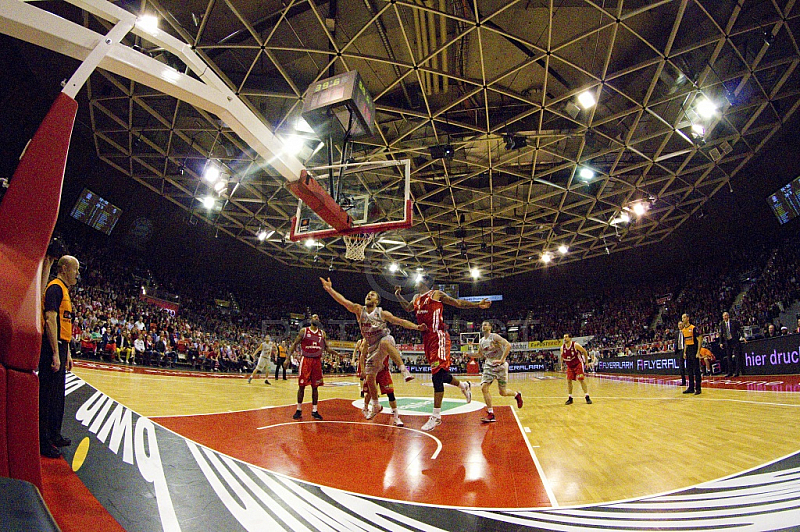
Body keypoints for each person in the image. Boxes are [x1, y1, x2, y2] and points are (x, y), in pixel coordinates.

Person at [395, 275, 489, 431]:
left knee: (436, 376)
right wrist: (398, 295)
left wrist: (477, 305)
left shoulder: (436, 294)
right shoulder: (416, 298)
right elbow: (407, 308)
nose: (415, 282)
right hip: (426, 339)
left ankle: (436, 416)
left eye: (418, 280)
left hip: (439, 337)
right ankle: (464, 386)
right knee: (441, 374)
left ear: (425, 282)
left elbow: (457, 303)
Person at [319, 278, 424, 418]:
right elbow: (343, 301)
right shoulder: (358, 310)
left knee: (385, 342)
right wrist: (329, 289)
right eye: (368, 294)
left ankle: (404, 370)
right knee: (369, 378)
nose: (369, 295)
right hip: (372, 348)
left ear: (377, 301)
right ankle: (375, 405)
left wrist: (417, 327)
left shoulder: (382, 313)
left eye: (372, 294)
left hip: (385, 341)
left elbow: (400, 322)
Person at [39, 255, 80, 458]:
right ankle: (42, 441)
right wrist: (55, 352)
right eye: (75, 270)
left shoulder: (64, 291)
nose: (77, 274)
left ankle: (54, 434)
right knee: (47, 396)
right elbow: (50, 320)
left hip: (62, 346)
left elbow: (65, 325)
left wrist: (67, 353)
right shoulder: (55, 288)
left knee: (57, 395)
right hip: (51, 347)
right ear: (64, 268)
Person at [288, 314, 338, 420]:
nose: (316, 318)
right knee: (301, 386)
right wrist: (288, 358)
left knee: (315, 387)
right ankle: (298, 409)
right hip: (306, 360)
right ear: (311, 320)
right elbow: (294, 344)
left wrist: (337, 354)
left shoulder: (322, 333)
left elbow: (327, 348)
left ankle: (315, 410)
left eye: (318, 318)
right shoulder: (304, 331)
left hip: (316, 361)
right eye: (314, 317)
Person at [475, 321, 522, 423]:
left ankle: (516, 395)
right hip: (489, 366)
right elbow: (480, 355)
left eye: (486, 324)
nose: (484, 326)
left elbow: (508, 345)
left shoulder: (494, 337)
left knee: (503, 392)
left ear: (490, 327)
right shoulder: (481, 341)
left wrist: (502, 359)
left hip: (500, 366)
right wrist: (468, 355)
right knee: (484, 388)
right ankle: (491, 413)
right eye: (482, 324)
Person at [356, 338, 404, 426]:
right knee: (369, 392)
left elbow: (393, 354)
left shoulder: (386, 341)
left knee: (391, 393)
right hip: (371, 371)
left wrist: (401, 366)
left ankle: (396, 417)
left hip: (383, 371)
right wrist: (362, 370)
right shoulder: (367, 341)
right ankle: (366, 409)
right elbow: (362, 356)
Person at [561, 333, 592, 404]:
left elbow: (584, 351)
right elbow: (561, 356)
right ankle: (570, 398)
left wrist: (586, 362)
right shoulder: (562, 347)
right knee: (568, 381)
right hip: (570, 366)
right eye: (564, 337)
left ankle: (587, 397)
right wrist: (562, 365)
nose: (565, 339)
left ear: (570, 338)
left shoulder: (575, 345)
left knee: (581, 380)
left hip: (578, 364)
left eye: (566, 337)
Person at [681, 313, 703, 395]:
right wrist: (684, 352)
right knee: (689, 370)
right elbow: (686, 342)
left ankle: (698, 388)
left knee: (696, 369)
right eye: (682, 318)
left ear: (688, 318)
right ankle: (691, 387)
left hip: (694, 349)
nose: (683, 319)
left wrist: (698, 352)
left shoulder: (693, 328)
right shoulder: (683, 330)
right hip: (688, 350)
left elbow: (700, 339)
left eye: (684, 317)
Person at [719, 311, 744, 377]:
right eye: (724, 316)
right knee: (728, 357)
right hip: (727, 341)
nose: (725, 317)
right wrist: (721, 342)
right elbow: (721, 334)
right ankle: (730, 372)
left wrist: (743, 337)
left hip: (734, 340)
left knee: (736, 356)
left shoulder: (734, 321)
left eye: (726, 316)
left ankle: (737, 372)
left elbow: (740, 329)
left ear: (728, 316)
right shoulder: (722, 324)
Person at [674, 321, 686, 386]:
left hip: (686, 350)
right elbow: (676, 341)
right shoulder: (676, 333)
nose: (680, 326)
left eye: (681, 324)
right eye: (679, 325)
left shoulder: (685, 331)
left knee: (690, 365)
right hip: (680, 350)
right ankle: (683, 381)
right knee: (681, 367)